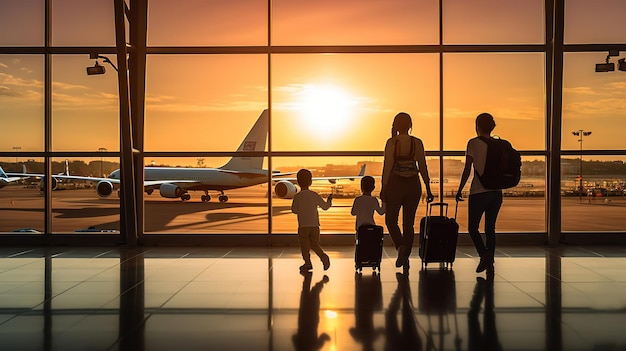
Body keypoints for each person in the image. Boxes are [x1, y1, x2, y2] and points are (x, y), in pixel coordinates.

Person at [381, 112, 434, 270]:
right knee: (408, 224)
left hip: (395, 185)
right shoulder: (417, 142)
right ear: (410, 125)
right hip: (413, 185)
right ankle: (405, 255)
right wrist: (428, 188)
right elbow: (423, 166)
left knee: (391, 220)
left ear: (396, 125)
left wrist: (383, 187)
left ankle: (400, 247)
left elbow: (387, 166)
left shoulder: (391, 142)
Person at [456, 112, 503, 275]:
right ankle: (490, 259)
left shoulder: (473, 143)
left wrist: (460, 188)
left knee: (473, 228)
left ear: (477, 126)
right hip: (497, 192)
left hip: (479, 192)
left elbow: (467, 168)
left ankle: (484, 255)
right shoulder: (499, 145)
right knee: (490, 228)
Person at [291, 169, 332, 272]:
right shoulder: (314, 195)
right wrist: (329, 201)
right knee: (315, 244)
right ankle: (323, 256)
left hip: (303, 226)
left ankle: (307, 263)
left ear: (298, 181)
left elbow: (294, 210)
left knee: (304, 247)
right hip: (315, 225)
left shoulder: (297, 196)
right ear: (310, 181)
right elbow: (325, 207)